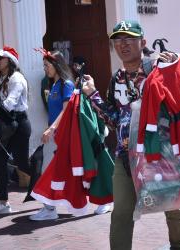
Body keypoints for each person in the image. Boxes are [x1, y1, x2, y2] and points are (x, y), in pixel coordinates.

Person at [81, 20, 180, 250]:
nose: (123, 44)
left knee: (172, 205)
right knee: (121, 212)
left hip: (158, 152)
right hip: (125, 156)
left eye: (130, 38)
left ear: (142, 42)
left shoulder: (158, 69)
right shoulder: (116, 79)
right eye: (118, 39)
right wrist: (92, 95)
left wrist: (175, 66)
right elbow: (114, 119)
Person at [29, 50, 111, 221]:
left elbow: (66, 111)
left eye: (47, 65)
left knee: (55, 169)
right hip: (58, 134)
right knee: (59, 171)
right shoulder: (54, 85)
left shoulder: (66, 84)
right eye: (44, 65)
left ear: (56, 65)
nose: (45, 69)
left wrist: (51, 129)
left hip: (64, 135)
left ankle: (52, 208)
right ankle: (51, 207)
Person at [0, 46, 31, 215]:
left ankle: (48, 190)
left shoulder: (16, 78)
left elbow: (10, 103)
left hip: (19, 124)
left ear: (9, 61)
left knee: (22, 163)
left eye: (0, 58)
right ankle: (3, 203)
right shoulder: (1, 78)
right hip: (7, 124)